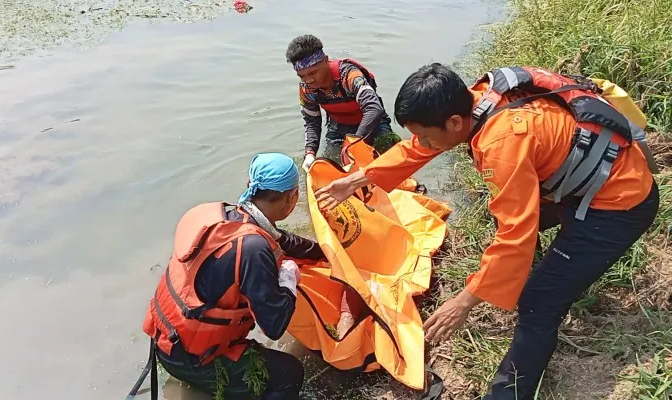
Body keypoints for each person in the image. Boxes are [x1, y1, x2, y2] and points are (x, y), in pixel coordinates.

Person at [314, 63, 660, 399]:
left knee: (538, 302)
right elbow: (422, 148)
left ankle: (508, 393)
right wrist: (356, 179)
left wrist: (464, 301)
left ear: (453, 122)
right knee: (509, 225)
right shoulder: (480, 98)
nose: (422, 142)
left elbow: (515, 236)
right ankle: (526, 273)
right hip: (594, 174)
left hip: (617, 204)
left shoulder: (502, 144)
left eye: (425, 134)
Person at [140, 153, 325, 400]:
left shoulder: (224, 217)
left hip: (165, 340)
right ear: (292, 198)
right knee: (289, 373)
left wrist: (323, 252)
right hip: (192, 359)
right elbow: (274, 326)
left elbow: (280, 239)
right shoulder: (254, 249)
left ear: (251, 186)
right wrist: (289, 280)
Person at [285, 34, 396, 171]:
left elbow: (374, 109)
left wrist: (354, 143)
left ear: (325, 61)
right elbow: (312, 122)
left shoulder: (350, 76)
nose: (309, 80)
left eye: (313, 73)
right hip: (339, 127)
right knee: (333, 164)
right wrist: (310, 153)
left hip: (373, 124)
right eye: (302, 76)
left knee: (391, 160)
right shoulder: (306, 89)